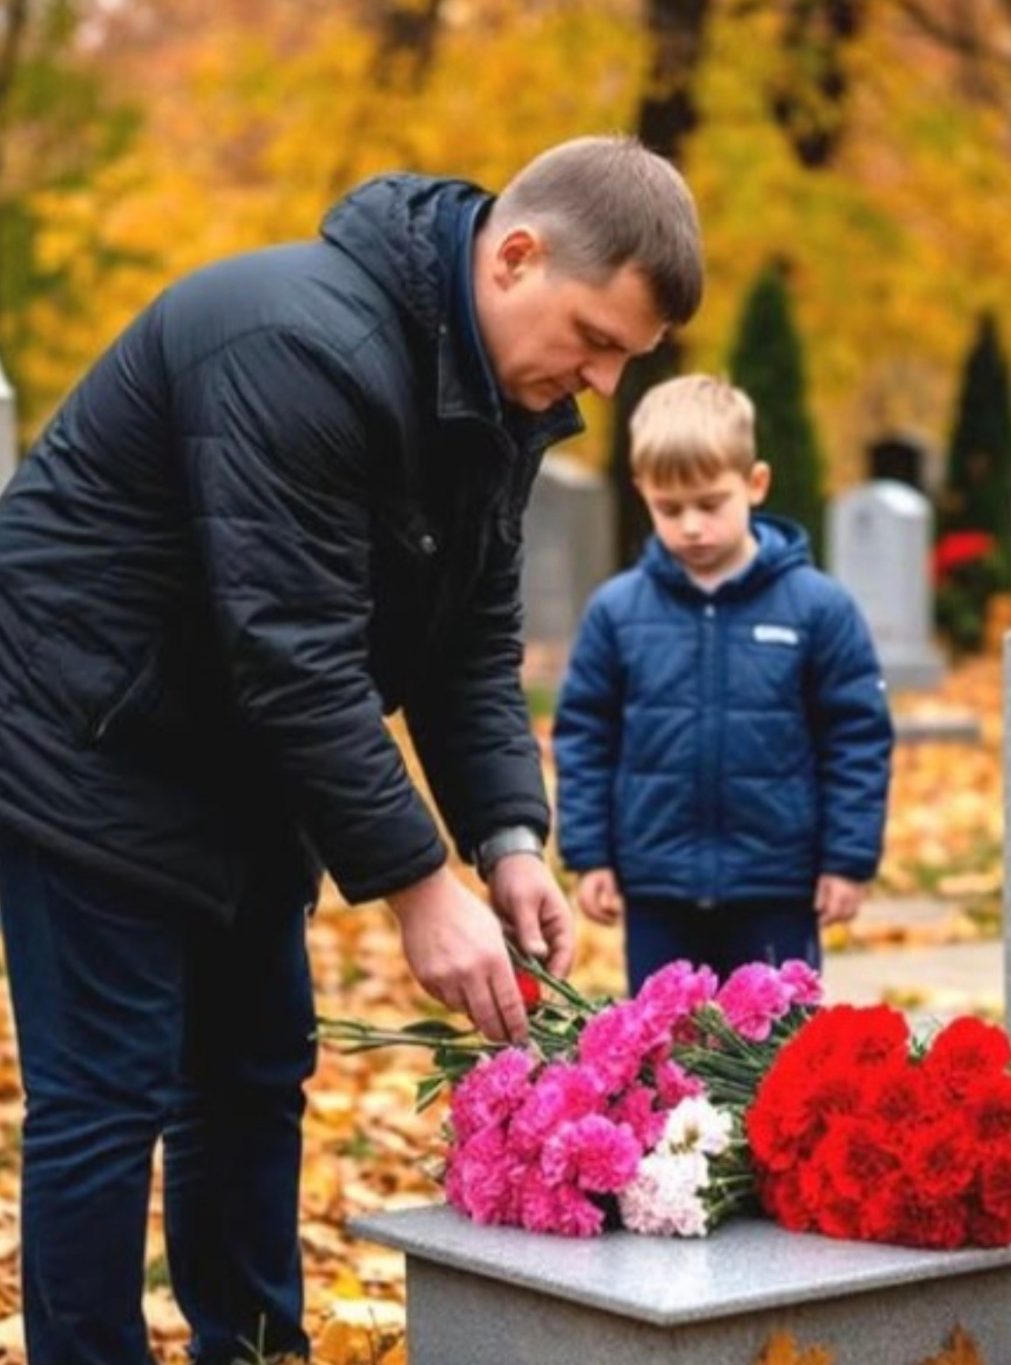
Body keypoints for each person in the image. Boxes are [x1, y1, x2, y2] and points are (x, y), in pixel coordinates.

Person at [0, 136, 702, 1364]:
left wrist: (506, 838)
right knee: (108, 1095)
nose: (600, 380)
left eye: (623, 359)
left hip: (239, 756)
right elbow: (291, 648)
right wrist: (419, 887)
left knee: (253, 1072)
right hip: (85, 737)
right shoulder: (296, 343)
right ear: (515, 257)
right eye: (595, 339)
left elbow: (467, 640)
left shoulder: (494, 398)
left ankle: (253, 1349)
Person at [553, 374, 892, 993]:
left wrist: (847, 859)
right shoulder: (617, 611)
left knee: (775, 1042)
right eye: (669, 508)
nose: (691, 526)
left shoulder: (819, 608)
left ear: (755, 484)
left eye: (710, 504)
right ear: (642, 492)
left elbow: (857, 739)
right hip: (657, 884)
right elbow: (584, 737)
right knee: (665, 1043)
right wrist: (590, 854)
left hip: (777, 883)